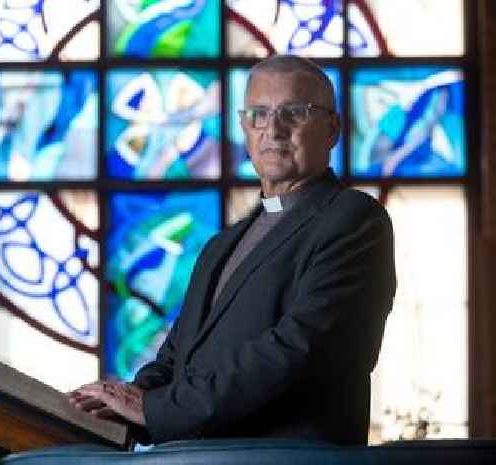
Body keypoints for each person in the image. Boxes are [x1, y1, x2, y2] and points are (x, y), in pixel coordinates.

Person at [68, 55, 396, 446]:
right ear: (244, 127)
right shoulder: (223, 244)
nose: (274, 129)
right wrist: (109, 408)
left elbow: (297, 349)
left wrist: (153, 409)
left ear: (332, 129)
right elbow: (175, 358)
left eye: (294, 112)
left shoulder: (353, 219)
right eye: (259, 113)